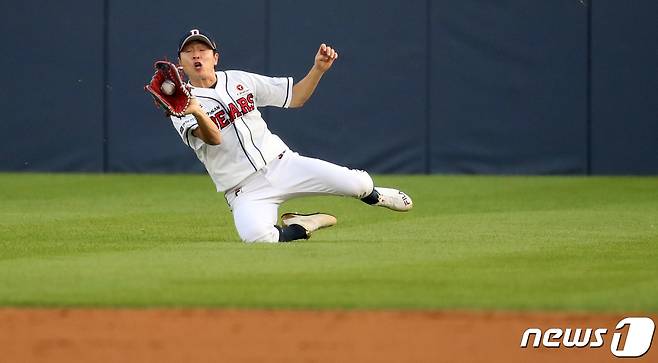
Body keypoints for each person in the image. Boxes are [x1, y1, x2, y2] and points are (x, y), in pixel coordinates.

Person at [169, 29, 413, 243]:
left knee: (359, 184)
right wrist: (196, 111)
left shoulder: (239, 79)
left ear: (216, 57)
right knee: (258, 237)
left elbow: (295, 98)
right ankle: (304, 225)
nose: (197, 55)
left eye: (203, 49)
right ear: (180, 62)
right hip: (243, 189)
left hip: (282, 164)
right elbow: (213, 138)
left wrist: (318, 69)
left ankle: (375, 196)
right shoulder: (180, 106)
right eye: (189, 52)